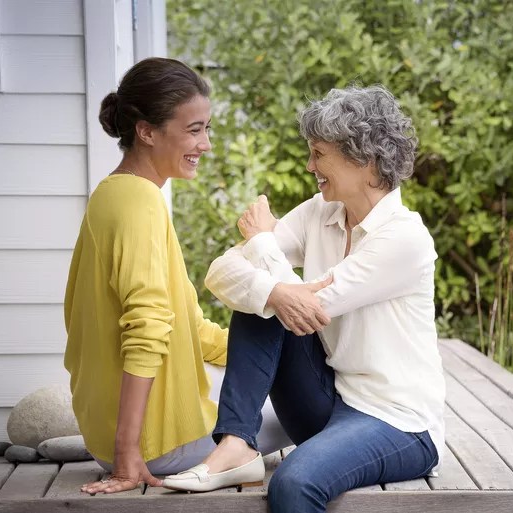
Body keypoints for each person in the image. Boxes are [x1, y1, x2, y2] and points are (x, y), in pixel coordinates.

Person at [163, 85, 446, 512]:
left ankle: (241, 446)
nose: (310, 164)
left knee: (293, 484)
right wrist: (271, 281)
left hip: (399, 423)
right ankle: (237, 443)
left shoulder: (405, 238)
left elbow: (313, 309)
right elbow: (219, 272)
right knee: (266, 293)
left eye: (319, 153)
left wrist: (262, 244)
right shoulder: (321, 211)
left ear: (364, 159)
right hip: (327, 400)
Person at [63, 57, 290, 495]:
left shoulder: (111, 194)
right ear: (146, 131)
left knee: (277, 358)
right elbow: (146, 326)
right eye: (193, 129)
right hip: (156, 446)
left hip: (111, 439)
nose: (205, 144)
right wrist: (129, 455)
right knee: (315, 411)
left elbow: (187, 328)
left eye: (207, 128)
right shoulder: (140, 203)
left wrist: (263, 356)